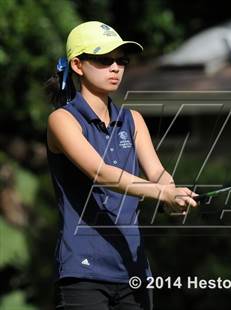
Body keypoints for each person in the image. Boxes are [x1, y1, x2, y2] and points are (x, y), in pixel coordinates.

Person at [45, 21, 198, 310]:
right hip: (82, 272)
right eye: (104, 60)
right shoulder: (62, 120)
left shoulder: (133, 120)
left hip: (134, 271)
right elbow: (100, 173)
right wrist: (160, 193)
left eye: (121, 61)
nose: (115, 68)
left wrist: (172, 194)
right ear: (78, 65)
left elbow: (158, 173)